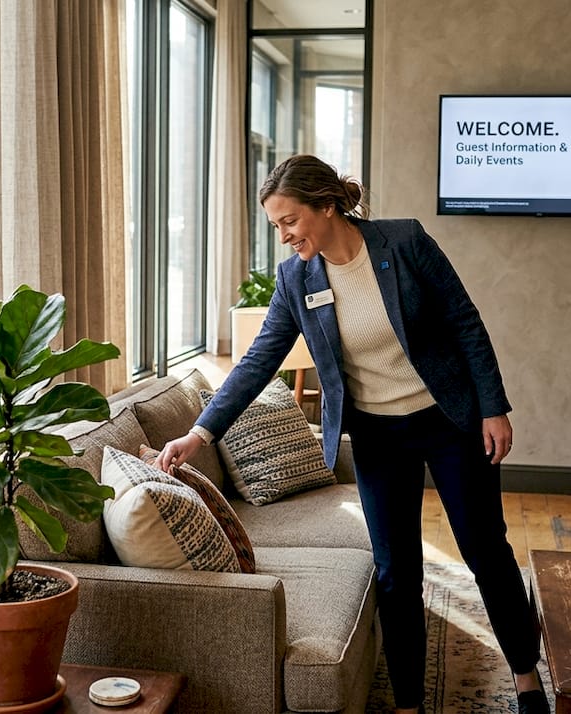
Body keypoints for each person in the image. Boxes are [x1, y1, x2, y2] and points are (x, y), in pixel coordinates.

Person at [156, 155, 547, 714]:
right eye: (276, 226)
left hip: (449, 420)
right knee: (395, 568)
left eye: (290, 221)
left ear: (328, 205)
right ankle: (409, 701)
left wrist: (494, 408)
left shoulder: (403, 243)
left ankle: (526, 676)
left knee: (485, 550)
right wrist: (201, 433)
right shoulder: (296, 278)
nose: (284, 236)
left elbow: (466, 321)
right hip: (378, 436)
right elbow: (258, 360)